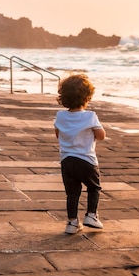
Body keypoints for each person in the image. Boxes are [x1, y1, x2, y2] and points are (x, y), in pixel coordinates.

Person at [54, 74, 106, 234]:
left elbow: (57, 133)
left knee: (72, 193)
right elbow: (101, 135)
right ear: (87, 97)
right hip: (86, 160)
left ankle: (72, 222)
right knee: (93, 187)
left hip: (67, 161)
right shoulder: (90, 116)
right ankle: (91, 215)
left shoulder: (60, 116)